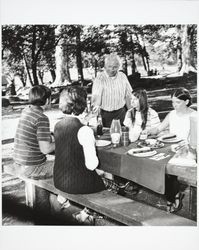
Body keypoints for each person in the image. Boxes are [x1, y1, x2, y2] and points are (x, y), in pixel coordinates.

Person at [148, 87, 196, 213]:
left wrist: (188, 148)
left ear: (186, 102)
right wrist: (148, 131)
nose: (174, 105)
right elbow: (159, 129)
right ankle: (173, 195)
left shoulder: (194, 115)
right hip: (171, 147)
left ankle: (171, 198)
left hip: (188, 150)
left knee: (167, 168)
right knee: (156, 163)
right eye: (172, 102)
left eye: (177, 102)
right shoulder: (172, 114)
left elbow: (196, 141)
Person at [53, 86, 105, 194]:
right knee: (113, 183)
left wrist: (88, 117)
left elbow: (74, 127)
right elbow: (92, 165)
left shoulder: (58, 125)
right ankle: (92, 210)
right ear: (82, 104)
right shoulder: (85, 131)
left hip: (59, 181)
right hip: (80, 185)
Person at [13, 85, 55, 179]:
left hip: (19, 164)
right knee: (70, 165)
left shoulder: (26, 110)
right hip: (32, 168)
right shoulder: (41, 118)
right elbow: (46, 149)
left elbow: (33, 132)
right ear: (48, 100)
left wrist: (50, 135)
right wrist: (63, 140)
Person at [91, 53, 132, 127]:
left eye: (115, 67)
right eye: (109, 66)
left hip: (121, 113)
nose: (112, 69)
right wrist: (95, 115)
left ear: (119, 67)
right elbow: (96, 98)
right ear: (105, 66)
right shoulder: (100, 78)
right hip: (105, 115)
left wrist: (131, 112)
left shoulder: (122, 76)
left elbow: (128, 96)